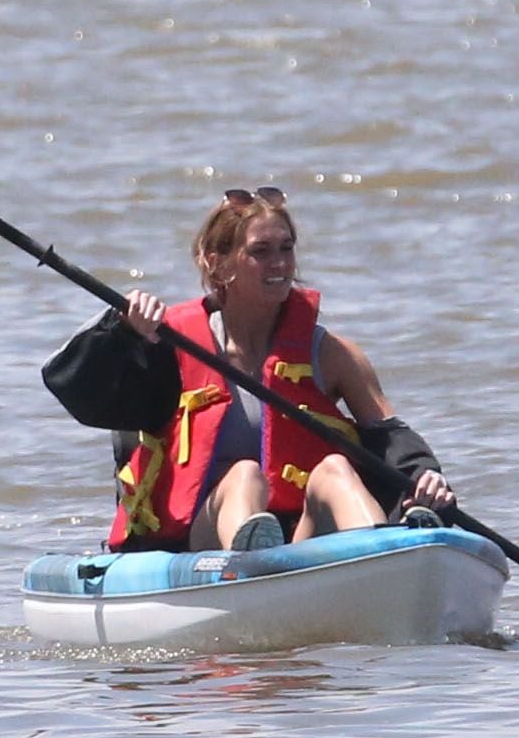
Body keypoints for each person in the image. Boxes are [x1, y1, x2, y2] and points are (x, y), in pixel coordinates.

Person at [48, 186, 450, 554]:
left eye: (286, 248)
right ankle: (254, 564)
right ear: (218, 265)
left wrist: (422, 476)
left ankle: (386, 558)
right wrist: (121, 332)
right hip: (199, 545)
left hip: (297, 538)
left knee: (335, 469)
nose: (278, 263)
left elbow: (390, 436)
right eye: (260, 251)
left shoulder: (330, 354)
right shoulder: (169, 347)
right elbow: (80, 392)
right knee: (244, 476)